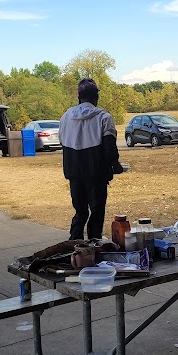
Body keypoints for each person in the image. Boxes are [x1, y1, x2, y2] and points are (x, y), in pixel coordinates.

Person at [58, 78, 123, 240]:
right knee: (97, 211)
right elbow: (109, 148)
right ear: (96, 98)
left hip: (74, 172)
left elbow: (62, 141)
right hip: (96, 174)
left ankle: (74, 248)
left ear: (79, 98)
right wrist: (116, 165)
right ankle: (94, 247)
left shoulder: (66, 116)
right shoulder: (104, 117)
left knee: (80, 211)